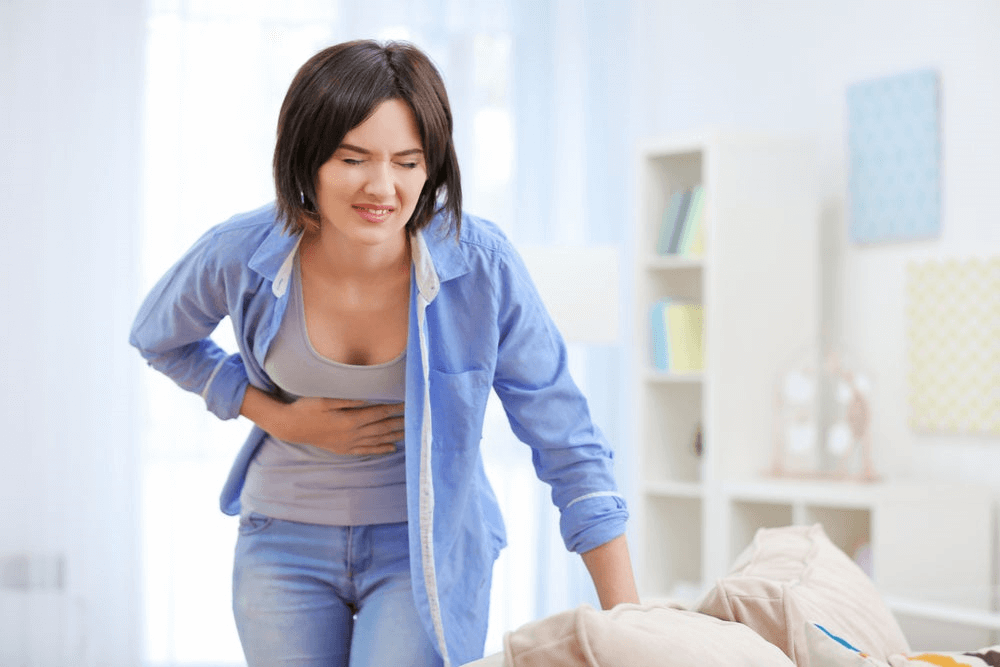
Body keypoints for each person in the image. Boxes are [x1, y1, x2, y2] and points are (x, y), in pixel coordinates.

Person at [129, 39, 638, 667]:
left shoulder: (481, 266)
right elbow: (161, 338)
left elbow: (566, 440)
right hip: (281, 542)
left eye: (407, 161)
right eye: (353, 158)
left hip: (425, 552)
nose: (382, 187)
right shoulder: (242, 252)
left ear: (433, 168)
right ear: (307, 159)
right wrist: (279, 415)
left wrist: (629, 624)